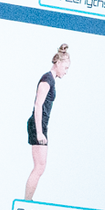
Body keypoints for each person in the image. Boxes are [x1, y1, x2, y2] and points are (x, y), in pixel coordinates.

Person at [24, 43, 70, 201]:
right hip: (38, 125)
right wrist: (39, 132)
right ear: (58, 63)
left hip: (41, 125)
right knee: (39, 167)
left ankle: (28, 200)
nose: (66, 72)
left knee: (40, 167)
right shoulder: (47, 79)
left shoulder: (51, 80)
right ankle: (26, 202)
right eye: (66, 68)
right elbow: (38, 105)